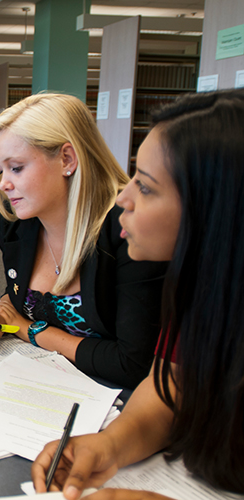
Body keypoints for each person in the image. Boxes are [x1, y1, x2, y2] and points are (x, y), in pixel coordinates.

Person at [32, 89, 244, 498]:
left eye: (144, 188)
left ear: (214, 210)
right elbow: (170, 390)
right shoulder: (202, 290)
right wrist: (112, 443)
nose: (122, 198)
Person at [0, 93, 168, 388]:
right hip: (45, 383)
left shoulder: (127, 230)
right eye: (0, 169)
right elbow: (22, 294)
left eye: (16, 168)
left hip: (115, 400)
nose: (3, 184)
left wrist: (29, 330)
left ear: (67, 159)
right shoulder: (17, 223)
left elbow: (133, 363)